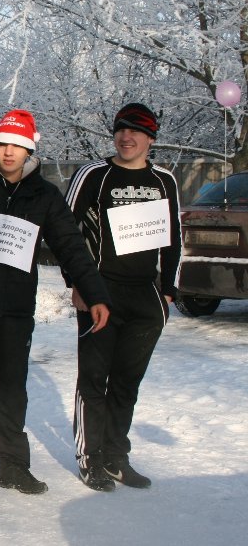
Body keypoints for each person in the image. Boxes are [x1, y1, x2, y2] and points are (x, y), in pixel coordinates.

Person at [0, 109, 111, 500]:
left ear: (29, 150)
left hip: (16, 313)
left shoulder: (44, 195)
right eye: (3, 144)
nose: (9, 152)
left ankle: (13, 466)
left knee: (14, 392)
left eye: (18, 145)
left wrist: (94, 293)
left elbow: (71, 245)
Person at [65, 103, 180, 491]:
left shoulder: (164, 179)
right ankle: (90, 458)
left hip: (145, 298)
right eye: (120, 130)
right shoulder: (94, 175)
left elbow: (174, 238)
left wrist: (167, 293)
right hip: (100, 293)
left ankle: (116, 456)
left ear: (151, 138)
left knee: (127, 382)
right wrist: (77, 283)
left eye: (136, 131)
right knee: (94, 379)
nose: (126, 137)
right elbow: (65, 231)